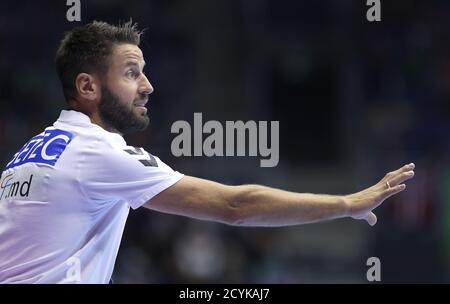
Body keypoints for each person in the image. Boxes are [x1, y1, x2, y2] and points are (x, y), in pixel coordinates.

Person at [0, 20, 415, 284]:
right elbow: (235, 205)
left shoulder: (28, 154)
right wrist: (346, 203)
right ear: (88, 87)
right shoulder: (97, 151)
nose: (147, 86)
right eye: (131, 73)